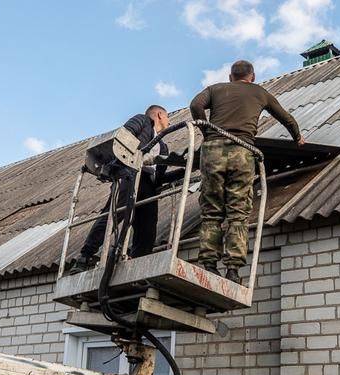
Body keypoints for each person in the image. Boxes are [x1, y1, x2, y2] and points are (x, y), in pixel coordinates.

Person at [189, 60, 305, 283]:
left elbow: (195, 105)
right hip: (242, 151)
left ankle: (209, 265)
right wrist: (297, 137)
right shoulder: (260, 92)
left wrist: (208, 131)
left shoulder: (216, 89)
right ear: (252, 76)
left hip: (212, 151)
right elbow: (286, 118)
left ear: (231, 76)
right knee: (238, 212)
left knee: (211, 211)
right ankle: (233, 270)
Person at [70, 105, 172, 274]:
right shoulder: (142, 121)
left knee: (147, 226)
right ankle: (84, 256)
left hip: (148, 184)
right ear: (160, 115)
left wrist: (186, 170)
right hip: (129, 174)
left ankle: (139, 265)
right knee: (114, 214)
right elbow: (122, 139)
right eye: (168, 118)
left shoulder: (163, 147)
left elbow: (160, 177)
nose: (169, 122)